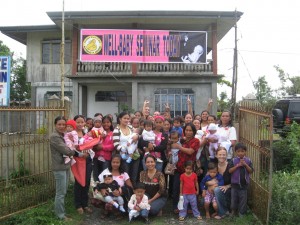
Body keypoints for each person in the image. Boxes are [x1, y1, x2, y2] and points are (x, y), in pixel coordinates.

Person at [50, 116, 85, 221]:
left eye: (63, 125)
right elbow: (67, 150)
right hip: (59, 167)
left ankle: (60, 211)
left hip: (65, 166)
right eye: (59, 124)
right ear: (55, 125)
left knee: (63, 191)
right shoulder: (54, 137)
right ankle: (60, 215)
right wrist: (79, 154)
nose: (61, 126)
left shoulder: (64, 135)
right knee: (60, 193)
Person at [172, 123, 200, 212]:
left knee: (190, 189)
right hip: (179, 168)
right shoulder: (182, 140)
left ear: (194, 132)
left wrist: (179, 147)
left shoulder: (196, 141)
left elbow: (190, 152)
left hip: (189, 170)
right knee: (176, 188)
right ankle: (177, 207)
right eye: (186, 130)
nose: (188, 132)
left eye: (190, 130)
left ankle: (190, 208)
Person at [73, 115, 93, 215]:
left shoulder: (86, 133)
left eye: (82, 122)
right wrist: (80, 154)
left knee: (87, 182)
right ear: (74, 122)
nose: (80, 124)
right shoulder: (72, 134)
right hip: (78, 161)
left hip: (88, 160)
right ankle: (78, 205)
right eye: (78, 122)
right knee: (79, 182)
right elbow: (71, 148)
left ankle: (85, 204)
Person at [113, 112, 140, 185]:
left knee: (134, 176)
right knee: (126, 177)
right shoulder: (116, 130)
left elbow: (138, 135)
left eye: (128, 118)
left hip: (135, 155)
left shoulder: (131, 127)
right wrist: (125, 150)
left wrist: (137, 136)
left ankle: (134, 194)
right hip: (123, 157)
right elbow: (116, 145)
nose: (126, 120)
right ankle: (127, 193)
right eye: (124, 118)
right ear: (120, 119)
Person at [229, 143, 254, 216]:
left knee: (243, 200)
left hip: (244, 185)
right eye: (238, 151)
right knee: (234, 199)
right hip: (234, 185)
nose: (240, 153)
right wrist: (237, 166)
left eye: (242, 151)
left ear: (245, 152)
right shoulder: (233, 161)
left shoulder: (248, 160)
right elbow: (230, 171)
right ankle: (233, 212)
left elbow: (251, 171)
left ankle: (241, 213)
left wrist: (245, 165)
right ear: (236, 152)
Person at [211, 147, 232, 219]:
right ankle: (219, 209)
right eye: (220, 154)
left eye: (224, 154)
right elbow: (206, 180)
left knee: (217, 190)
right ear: (216, 155)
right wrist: (211, 184)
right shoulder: (214, 166)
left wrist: (227, 186)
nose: (222, 156)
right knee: (203, 201)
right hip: (217, 189)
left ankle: (223, 212)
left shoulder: (230, 166)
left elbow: (236, 181)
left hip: (229, 189)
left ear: (226, 155)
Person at [92, 115, 114, 182]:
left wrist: (102, 147)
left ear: (111, 123)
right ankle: (96, 191)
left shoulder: (112, 134)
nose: (106, 124)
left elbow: (112, 146)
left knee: (105, 176)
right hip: (96, 157)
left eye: (108, 122)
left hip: (106, 159)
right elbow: (92, 142)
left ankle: (105, 191)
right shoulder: (97, 132)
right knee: (96, 176)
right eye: (104, 122)